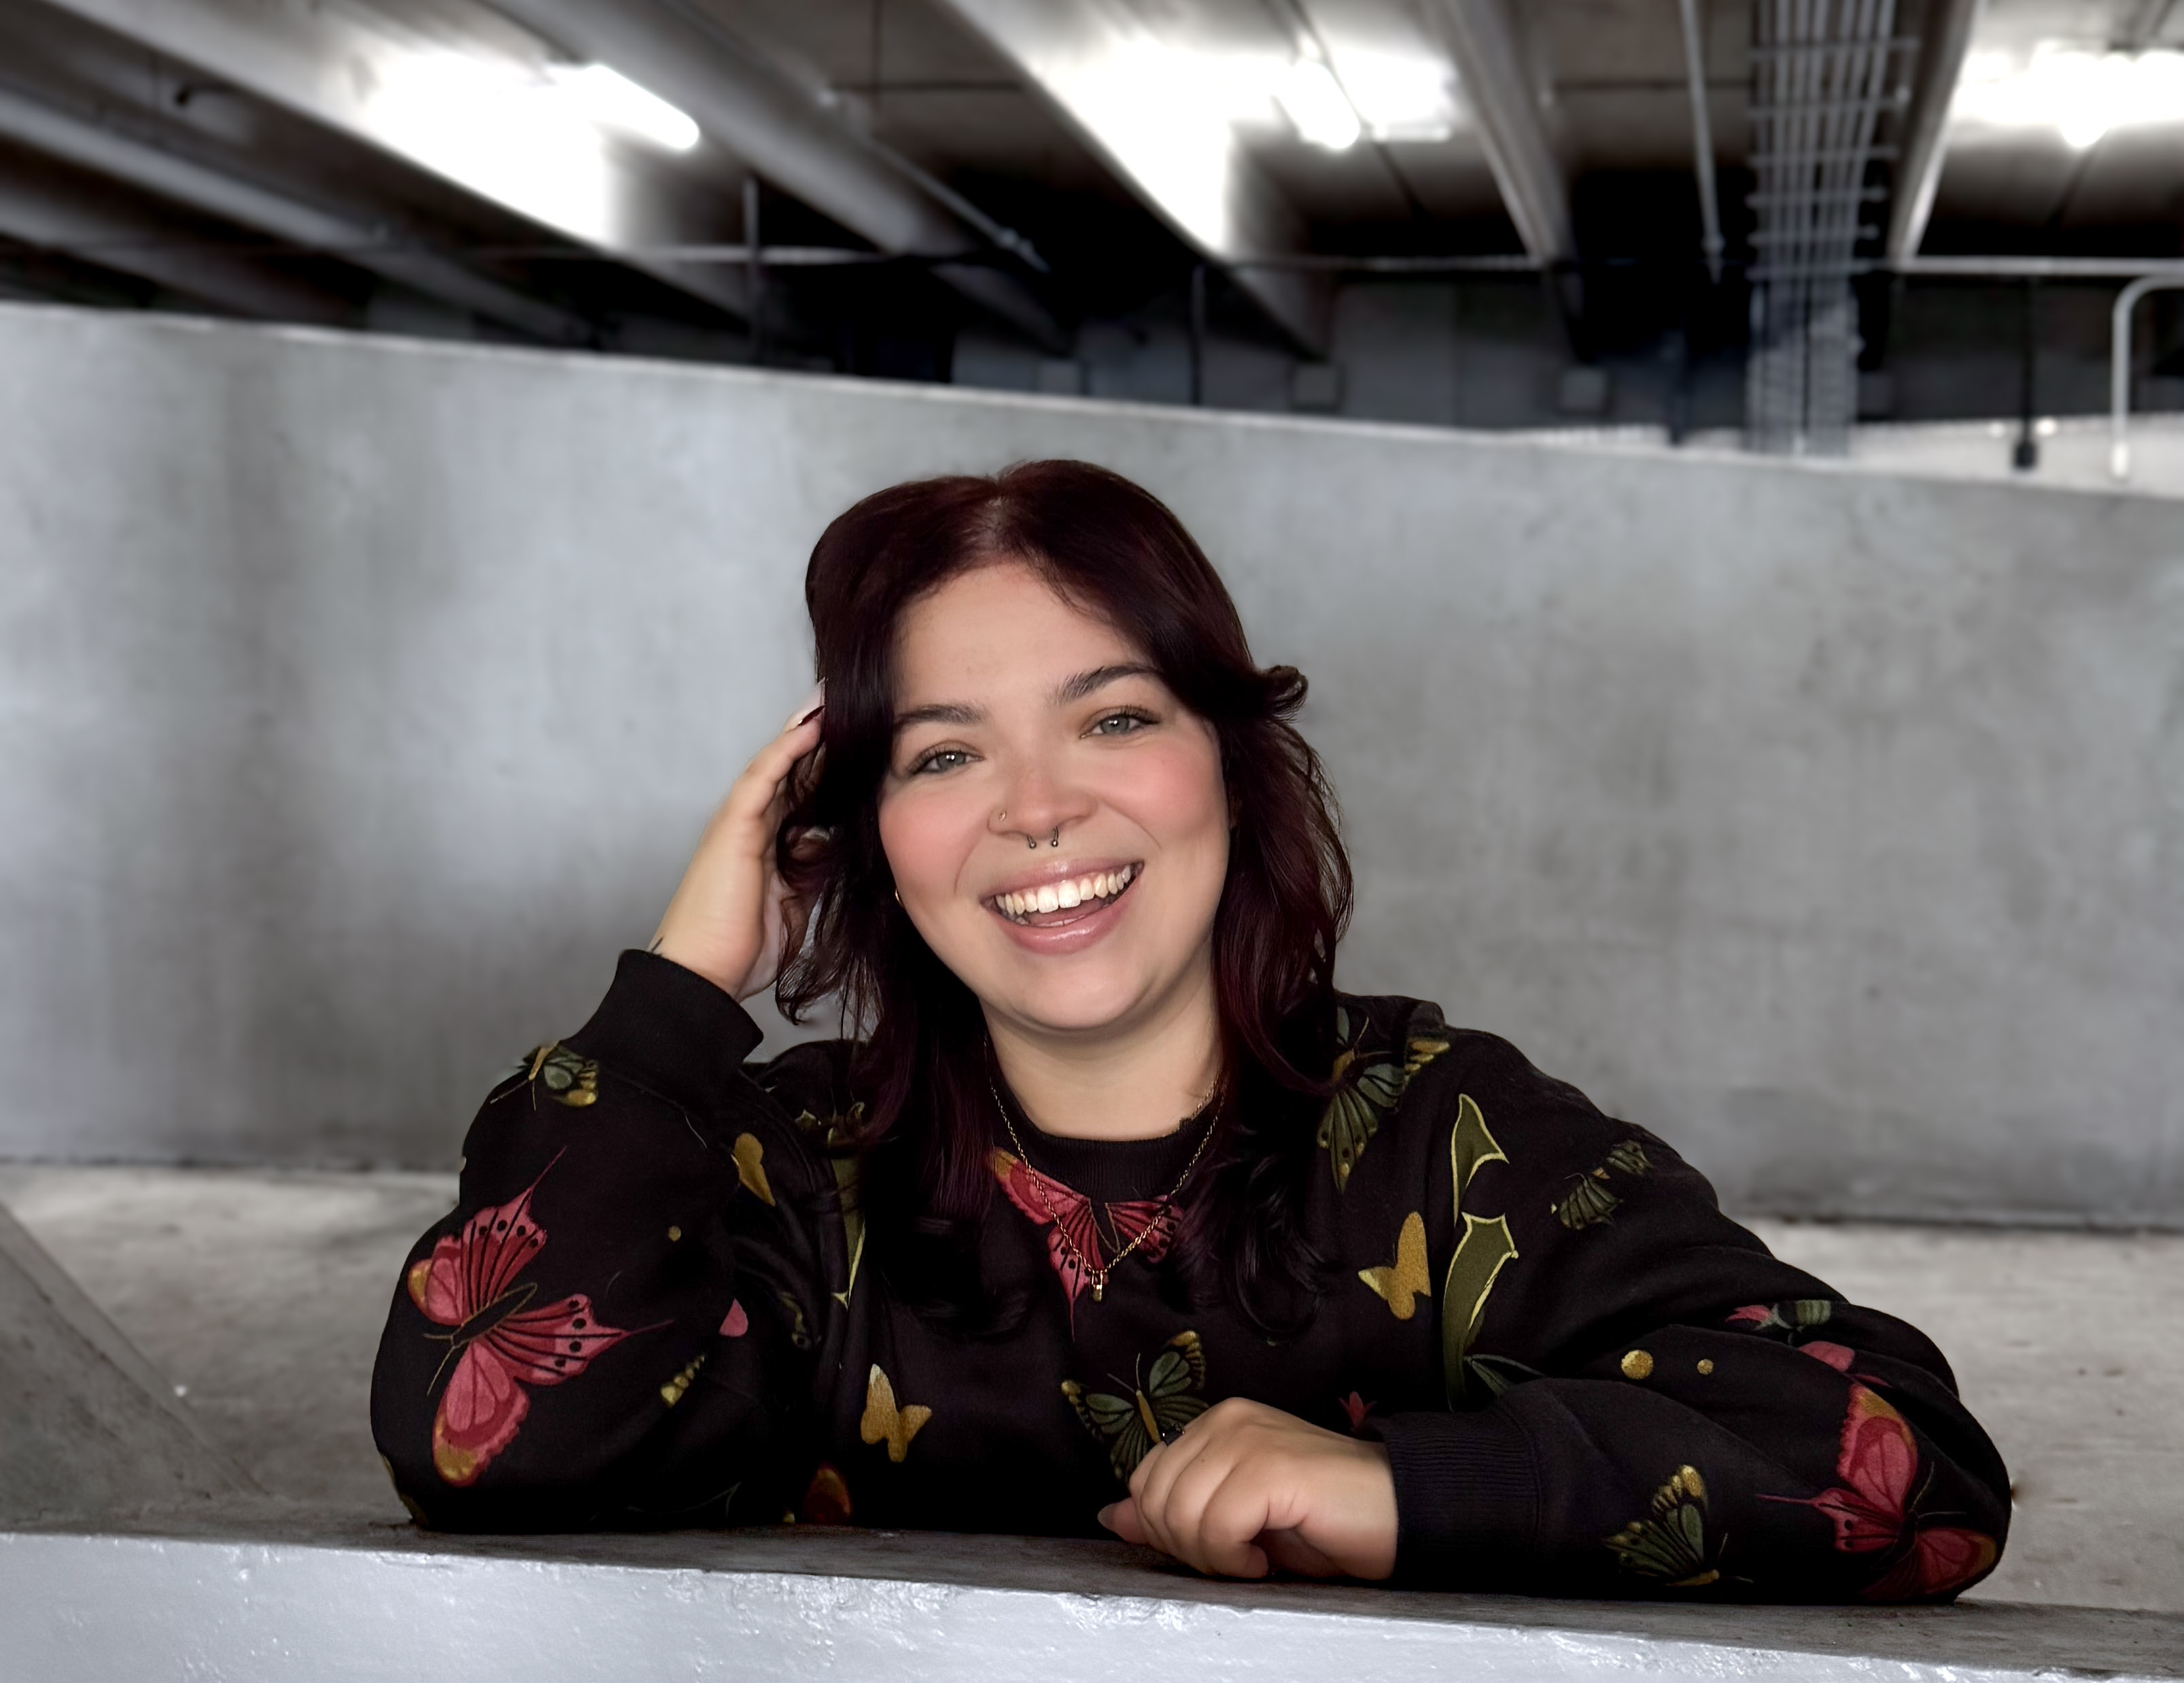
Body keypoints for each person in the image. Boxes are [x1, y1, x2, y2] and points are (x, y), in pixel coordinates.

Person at [371, 460, 2009, 1599]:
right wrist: (678, 990)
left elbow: (1908, 1468)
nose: (1035, 806)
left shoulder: (1448, 1143)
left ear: (1227, 766)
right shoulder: (785, 1171)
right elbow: (484, 1442)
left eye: (1112, 717)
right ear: (860, 834)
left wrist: (1408, 1489)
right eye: (943, 754)